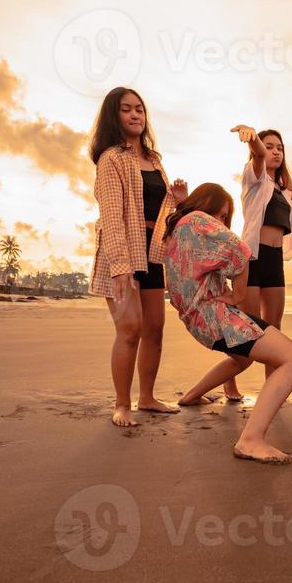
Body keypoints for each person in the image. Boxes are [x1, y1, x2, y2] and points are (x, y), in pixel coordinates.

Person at [163, 183, 292, 465]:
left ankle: (191, 396)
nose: (221, 223)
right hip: (215, 316)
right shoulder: (197, 221)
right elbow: (240, 249)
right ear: (206, 205)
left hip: (197, 322)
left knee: (242, 360)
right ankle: (251, 440)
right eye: (221, 214)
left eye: (225, 219)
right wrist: (239, 294)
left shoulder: (176, 231)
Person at [89, 86, 188, 427]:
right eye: (126, 110)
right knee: (130, 329)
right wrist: (120, 267)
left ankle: (146, 397)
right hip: (123, 250)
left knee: (155, 328)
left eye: (140, 110)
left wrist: (176, 199)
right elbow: (112, 216)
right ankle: (122, 404)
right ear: (113, 116)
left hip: (153, 250)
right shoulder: (111, 158)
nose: (135, 115)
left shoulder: (154, 160)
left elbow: (160, 214)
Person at [222, 124, 292, 401]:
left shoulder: (282, 192)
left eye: (280, 148)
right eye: (270, 147)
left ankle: (273, 388)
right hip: (252, 260)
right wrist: (254, 138)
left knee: (274, 329)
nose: (275, 152)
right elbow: (257, 155)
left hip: (274, 262)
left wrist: (278, 167)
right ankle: (229, 379)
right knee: (247, 327)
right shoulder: (254, 180)